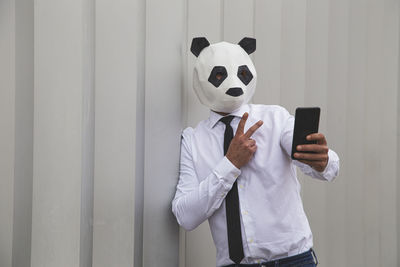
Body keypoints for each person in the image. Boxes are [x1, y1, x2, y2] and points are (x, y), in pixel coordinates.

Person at [172, 37, 339, 267]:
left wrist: (322, 160)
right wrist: (229, 164)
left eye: (241, 74)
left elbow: (322, 165)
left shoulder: (276, 119)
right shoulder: (193, 140)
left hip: (293, 260)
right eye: (219, 75)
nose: (232, 83)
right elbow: (185, 216)